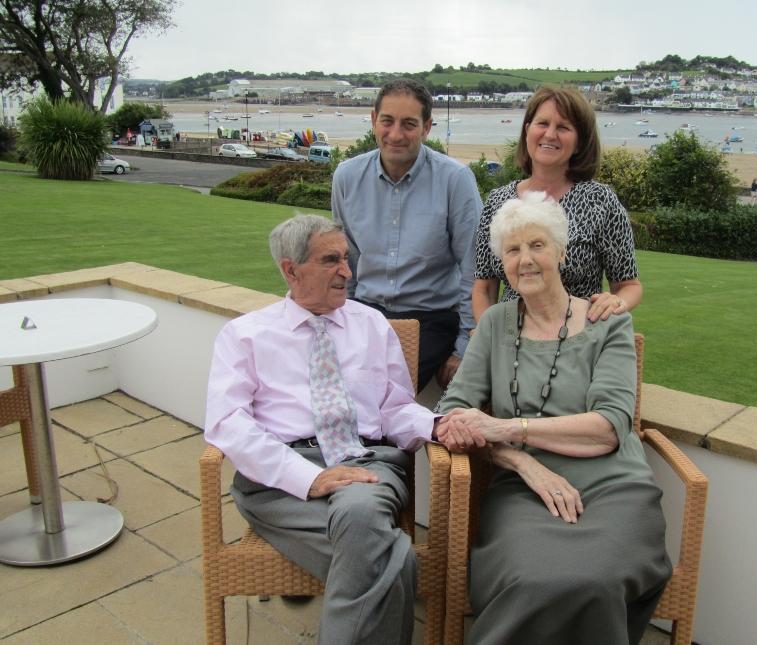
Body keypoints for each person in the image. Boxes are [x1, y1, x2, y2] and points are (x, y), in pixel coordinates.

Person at [436, 192, 672, 645]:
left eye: (537, 246)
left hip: (614, 486)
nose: (525, 260)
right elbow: (452, 413)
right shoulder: (495, 324)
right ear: (502, 261)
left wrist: (509, 428)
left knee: (596, 582)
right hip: (523, 491)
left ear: (562, 253)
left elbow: (608, 427)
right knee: (532, 581)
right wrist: (523, 462)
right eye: (512, 250)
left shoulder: (608, 323)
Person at [204, 215, 442, 645]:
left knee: (360, 513)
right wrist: (308, 478)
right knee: (393, 557)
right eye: (331, 260)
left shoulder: (371, 324)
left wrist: (439, 424)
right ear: (290, 270)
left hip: (365, 463)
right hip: (279, 478)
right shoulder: (245, 335)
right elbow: (226, 423)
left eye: (347, 259)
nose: (347, 272)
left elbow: (396, 409)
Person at [332, 79, 483, 391]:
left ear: (427, 127)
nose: (396, 134)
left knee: (381, 392)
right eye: (387, 121)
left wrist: (464, 348)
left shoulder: (455, 180)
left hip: (429, 320)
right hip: (366, 313)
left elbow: (474, 269)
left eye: (409, 124)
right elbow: (346, 261)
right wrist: (338, 323)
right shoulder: (346, 177)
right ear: (374, 120)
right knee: (320, 381)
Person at [471, 86, 642, 326]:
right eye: (542, 123)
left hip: (576, 338)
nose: (550, 135)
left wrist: (615, 302)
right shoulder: (498, 201)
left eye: (563, 127)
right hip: (509, 338)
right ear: (528, 130)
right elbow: (484, 286)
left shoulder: (601, 201)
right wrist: (487, 336)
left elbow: (628, 285)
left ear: (580, 142)